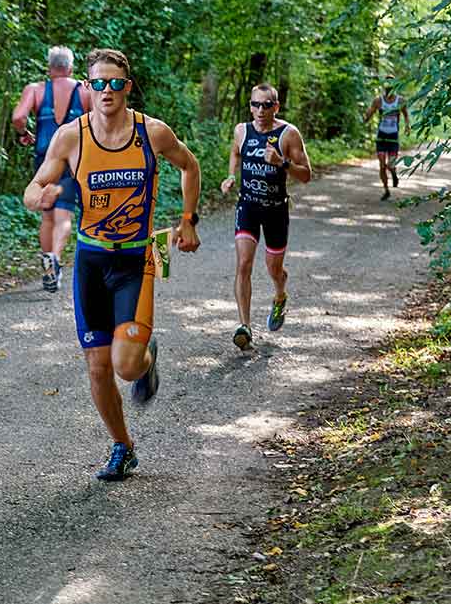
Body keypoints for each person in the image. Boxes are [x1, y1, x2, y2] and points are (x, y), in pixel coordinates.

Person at [23, 48, 201, 482]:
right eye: (98, 83)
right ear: (87, 88)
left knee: (125, 366)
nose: (106, 91)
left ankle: (145, 355)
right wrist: (37, 198)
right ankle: (122, 446)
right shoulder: (71, 136)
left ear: (128, 86)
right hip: (90, 258)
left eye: (115, 83)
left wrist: (187, 221)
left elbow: (190, 165)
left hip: (141, 254)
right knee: (98, 367)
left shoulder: (152, 132)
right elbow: (34, 186)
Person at [220, 84, 312, 350]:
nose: (261, 110)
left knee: (274, 269)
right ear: (250, 106)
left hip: (275, 210)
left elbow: (307, 175)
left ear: (276, 107)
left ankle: (280, 295)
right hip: (247, 206)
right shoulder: (241, 130)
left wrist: (281, 163)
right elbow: (236, 152)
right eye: (256, 104)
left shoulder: (288, 134)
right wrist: (230, 176)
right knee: (243, 263)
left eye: (267, 105)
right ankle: (245, 327)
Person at [12, 46, 91, 291]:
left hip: (44, 160)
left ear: (49, 67)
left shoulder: (36, 90)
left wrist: (25, 133)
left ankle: (48, 262)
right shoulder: (85, 91)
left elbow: (18, 117)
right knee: (63, 215)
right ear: (70, 67)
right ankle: (54, 259)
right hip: (72, 161)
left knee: (47, 216)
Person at [362, 74, 411, 201]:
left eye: (391, 84)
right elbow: (370, 112)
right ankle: (386, 190)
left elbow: (405, 115)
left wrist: (407, 126)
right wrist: (366, 118)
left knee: (390, 165)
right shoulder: (378, 101)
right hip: (381, 137)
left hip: (393, 137)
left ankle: (394, 174)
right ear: (384, 86)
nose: (388, 87)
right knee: (382, 166)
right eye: (387, 85)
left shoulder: (400, 101)